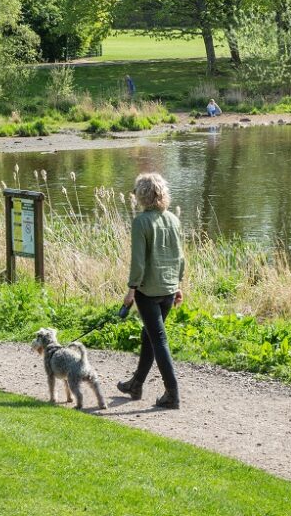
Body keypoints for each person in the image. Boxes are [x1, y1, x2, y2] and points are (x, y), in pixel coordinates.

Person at [117, 173, 184, 409]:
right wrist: (178, 285)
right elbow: (180, 257)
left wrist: (131, 290)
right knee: (150, 336)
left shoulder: (141, 222)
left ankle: (172, 393)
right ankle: (136, 384)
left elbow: (138, 263)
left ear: (142, 195)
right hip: (168, 288)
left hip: (148, 290)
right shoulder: (173, 220)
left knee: (158, 339)